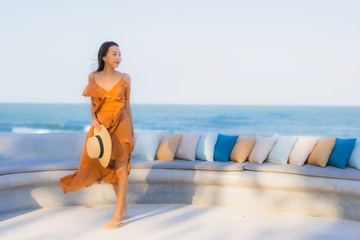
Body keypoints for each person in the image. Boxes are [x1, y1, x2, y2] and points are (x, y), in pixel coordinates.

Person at [59, 41, 134, 230]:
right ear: (104, 56)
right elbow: (93, 104)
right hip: (102, 128)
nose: (119, 57)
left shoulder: (126, 78)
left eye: (120, 54)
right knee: (108, 167)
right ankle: (123, 205)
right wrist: (94, 122)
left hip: (121, 126)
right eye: (114, 54)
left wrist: (132, 132)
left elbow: (128, 107)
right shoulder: (93, 76)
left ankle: (118, 216)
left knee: (121, 170)